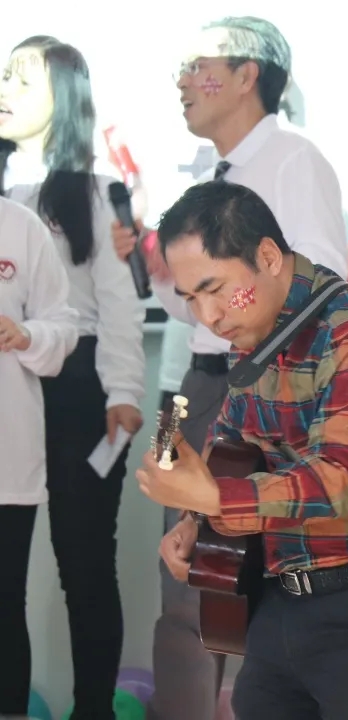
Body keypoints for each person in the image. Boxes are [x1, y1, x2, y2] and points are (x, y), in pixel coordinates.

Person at [134, 180, 348, 719]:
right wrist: (195, 522)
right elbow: (231, 446)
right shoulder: (252, 343)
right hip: (286, 598)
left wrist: (213, 499)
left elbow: (337, 482)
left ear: (267, 256)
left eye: (215, 289)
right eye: (191, 298)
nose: (209, 316)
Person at [109, 16, 348, 720]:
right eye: (182, 68)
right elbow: (192, 310)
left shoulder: (294, 161)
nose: (183, 81)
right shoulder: (208, 174)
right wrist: (155, 271)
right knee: (180, 574)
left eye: (199, 65)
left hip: (261, 386)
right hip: (189, 387)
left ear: (248, 75)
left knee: (253, 578)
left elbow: (321, 282)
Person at [0, 37, 145, 719]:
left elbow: (122, 303)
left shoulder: (99, 192)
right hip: (13, 385)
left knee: (83, 563)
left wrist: (124, 393)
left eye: (22, 80)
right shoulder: (6, 188)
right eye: (4, 76)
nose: (5, 90)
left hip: (81, 389)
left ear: (66, 97)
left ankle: (93, 709)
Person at [0, 195, 79, 716]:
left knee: (5, 602)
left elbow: (64, 325)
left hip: (7, 456)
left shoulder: (21, 227)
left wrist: (26, 334)